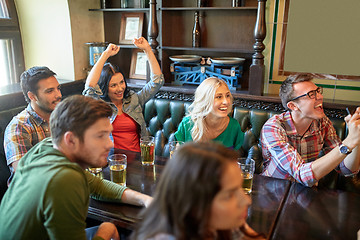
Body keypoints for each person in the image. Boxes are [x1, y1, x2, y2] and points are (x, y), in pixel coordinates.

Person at [0, 95, 152, 239]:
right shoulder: (65, 179)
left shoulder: (46, 148)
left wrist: (144, 200)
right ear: (71, 140)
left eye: (108, 134)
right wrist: (107, 230)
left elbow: (97, 186)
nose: (110, 144)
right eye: (100, 136)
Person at [131, 142, 265, 240]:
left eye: (240, 187)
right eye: (229, 195)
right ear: (194, 202)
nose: (247, 200)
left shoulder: (219, 224)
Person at [261, 73, 360, 187]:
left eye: (318, 91)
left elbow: (346, 170)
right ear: (293, 106)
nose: (320, 96)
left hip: (305, 193)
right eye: (311, 94)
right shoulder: (273, 128)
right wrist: (348, 142)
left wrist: (356, 138)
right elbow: (301, 174)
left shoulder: (323, 123)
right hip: (273, 193)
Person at [83, 37, 164, 152]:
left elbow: (157, 81)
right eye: (113, 85)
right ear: (104, 87)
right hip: (112, 160)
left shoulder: (134, 99)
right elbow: (90, 87)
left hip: (140, 158)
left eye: (121, 82)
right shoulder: (99, 105)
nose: (120, 88)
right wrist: (105, 54)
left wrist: (147, 49)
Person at [4, 66, 62, 175]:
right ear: (32, 96)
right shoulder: (19, 126)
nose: (58, 95)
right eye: (50, 91)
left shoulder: (62, 116)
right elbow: (26, 173)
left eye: (58, 88)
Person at [174, 77, 244, 150]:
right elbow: (176, 158)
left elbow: (234, 159)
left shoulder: (234, 126)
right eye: (219, 97)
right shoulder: (187, 124)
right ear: (205, 101)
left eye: (227, 96)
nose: (226, 102)